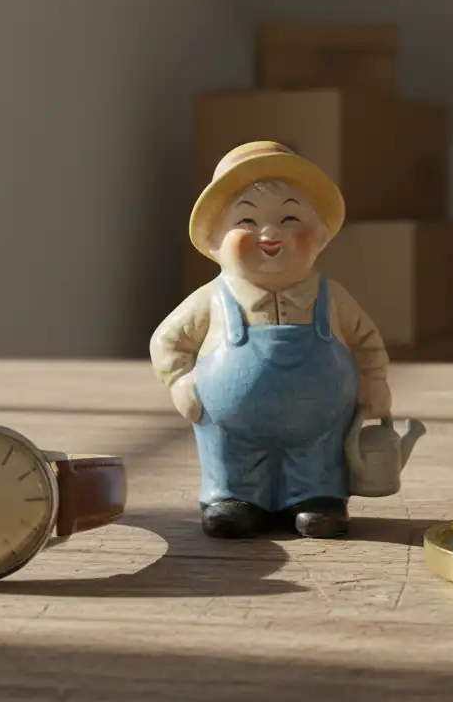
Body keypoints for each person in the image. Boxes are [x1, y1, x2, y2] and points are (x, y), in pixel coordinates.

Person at [150, 141, 392, 539]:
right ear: (214, 238)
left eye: (290, 219)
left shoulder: (331, 297)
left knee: (315, 463)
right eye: (245, 222)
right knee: (234, 466)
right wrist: (179, 380)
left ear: (319, 235)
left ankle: (316, 497)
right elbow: (168, 340)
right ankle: (233, 498)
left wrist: (376, 381)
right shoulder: (213, 297)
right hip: (230, 428)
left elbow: (367, 341)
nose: (269, 234)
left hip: (319, 427)